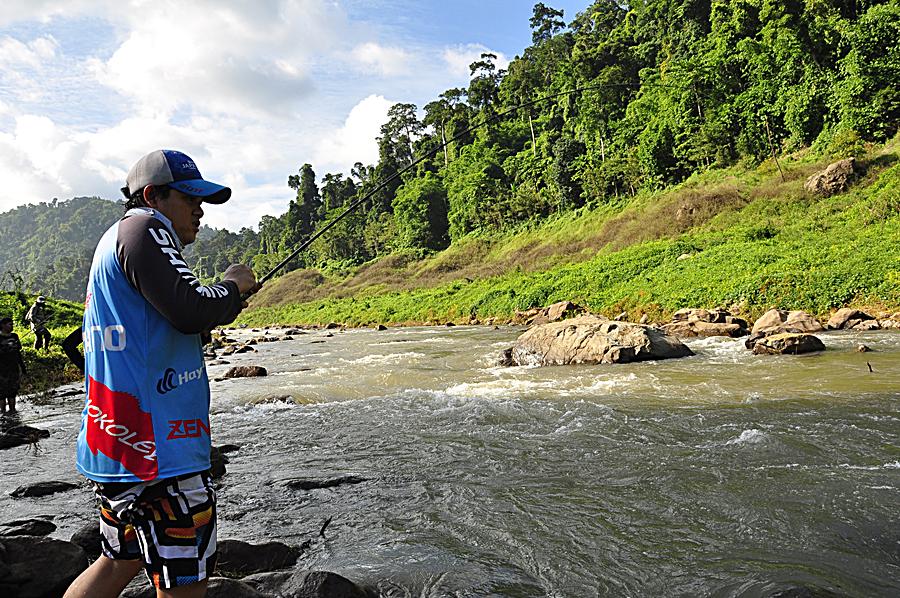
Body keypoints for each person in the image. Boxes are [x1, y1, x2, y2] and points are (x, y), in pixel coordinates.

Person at [64, 150, 258, 598]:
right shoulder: (145, 228)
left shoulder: (116, 242)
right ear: (153, 195)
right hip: (160, 456)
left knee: (118, 560)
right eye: (189, 197)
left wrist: (220, 302)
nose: (200, 209)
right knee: (183, 584)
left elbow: (166, 323)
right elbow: (191, 309)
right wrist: (233, 284)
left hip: (119, 450)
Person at [0, 316, 27, 415]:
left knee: (12, 391)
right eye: (10, 324)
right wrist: (4, 349)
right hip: (1, 369)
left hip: (13, 368)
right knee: (2, 393)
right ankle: (3, 413)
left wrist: (23, 367)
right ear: (3, 325)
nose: (12, 326)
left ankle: (13, 412)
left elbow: (18, 353)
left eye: (12, 324)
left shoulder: (15, 336)